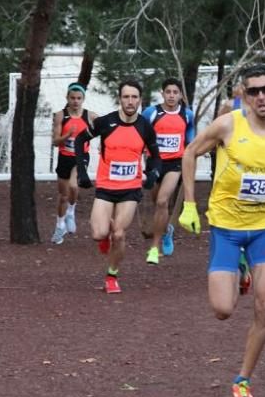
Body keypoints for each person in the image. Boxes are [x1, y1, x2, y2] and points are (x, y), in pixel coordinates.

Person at [178, 64, 265, 397]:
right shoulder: (228, 124)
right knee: (223, 309)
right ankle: (240, 268)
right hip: (226, 228)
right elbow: (190, 152)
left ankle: (242, 380)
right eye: (253, 91)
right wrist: (190, 205)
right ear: (243, 94)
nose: (261, 97)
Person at [75, 80, 160, 294]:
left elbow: (156, 157)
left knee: (120, 235)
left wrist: (152, 173)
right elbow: (79, 140)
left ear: (140, 100)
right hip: (105, 187)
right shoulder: (105, 122)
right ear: (120, 99)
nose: (130, 101)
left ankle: (112, 276)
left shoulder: (145, 127)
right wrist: (83, 171)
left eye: (134, 97)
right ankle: (106, 231)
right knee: (98, 233)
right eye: (126, 97)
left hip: (130, 189)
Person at [141, 78, 196, 264]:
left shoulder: (187, 115)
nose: (172, 96)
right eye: (168, 92)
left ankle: (154, 248)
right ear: (162, 93)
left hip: (174, 164)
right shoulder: (151, 113)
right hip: (154, 162)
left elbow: (191, 138)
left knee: (163, 201)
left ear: (180, 95)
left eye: (175, 92)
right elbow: (140, 134)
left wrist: (193, 152)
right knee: (157, 201)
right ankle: (166, 230)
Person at [50, 83, 96, 245]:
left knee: (74, 186)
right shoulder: (60, 116)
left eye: (79, 98)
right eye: (72, 98)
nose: (76, 101)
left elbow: (107, 128)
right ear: (67, 98)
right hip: (64, 157)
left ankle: (71, 211)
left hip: (81, 157)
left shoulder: (90, 116)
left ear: (83, 99)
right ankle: (59, 226)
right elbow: (55, 141)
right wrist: (67, 135)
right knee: (62, 196)